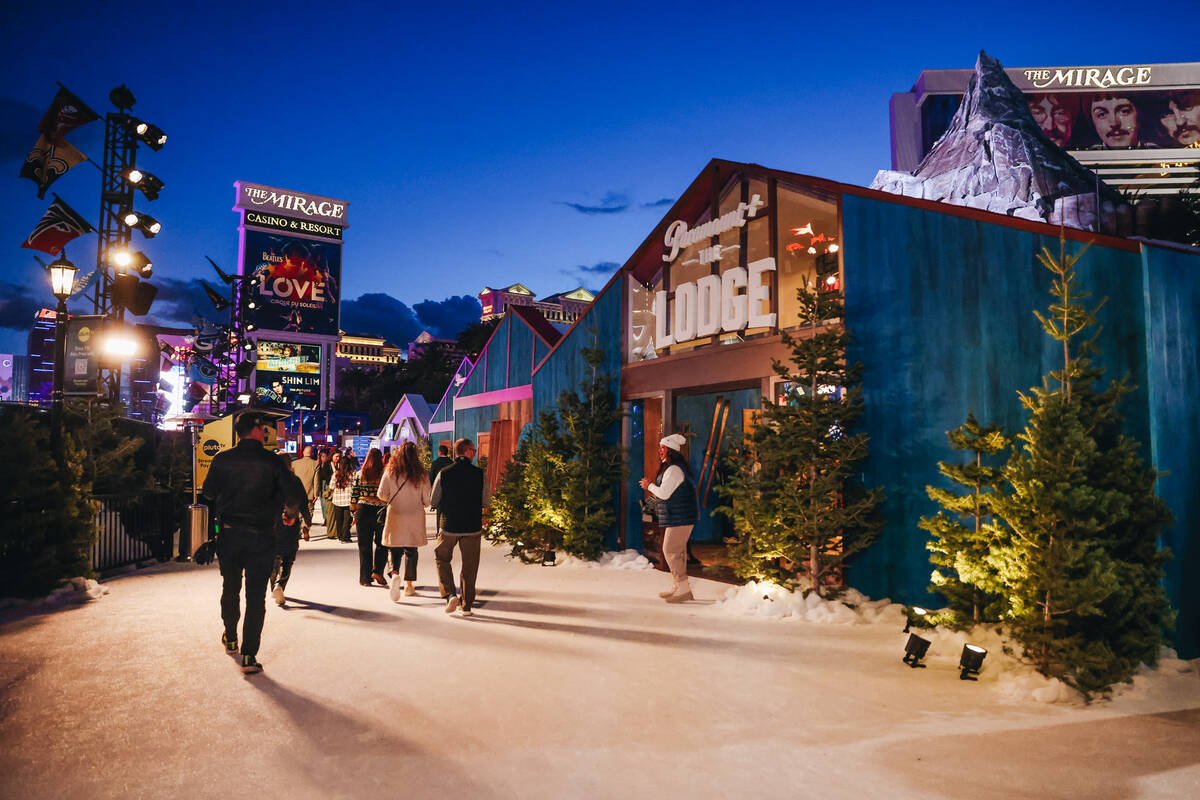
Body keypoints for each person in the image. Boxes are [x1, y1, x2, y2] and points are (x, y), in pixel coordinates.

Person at [202, 411, 303, 674]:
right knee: (256, 596)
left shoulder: (222, 459)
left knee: (231, 586)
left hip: (229, 532)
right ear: (257, 430)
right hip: (261, 535)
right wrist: (289, 516)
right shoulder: (272, 462)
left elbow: (209, 492)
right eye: (264, 428)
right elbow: (292, 495)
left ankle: (230, 635)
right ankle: (249, 655)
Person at [430, 438, 490, 616]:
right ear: (467, 451)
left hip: (449, 525)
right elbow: (486, 500)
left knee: (442, 558)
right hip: (472, 527)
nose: (475, 452)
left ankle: (449, 595)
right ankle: (467, 605)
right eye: (474, 450)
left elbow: (434, 500)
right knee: (470, 565)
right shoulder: (479, 474)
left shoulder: (444, 473)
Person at [638, 434, 698, 604]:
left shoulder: (673, 470)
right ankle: (680, 588)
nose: (659, 451)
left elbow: (664, 493)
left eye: (662, 448)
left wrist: (648, 486)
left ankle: (683, 588)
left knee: (670, 550)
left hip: (681, 516)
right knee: (677, 552)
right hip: (679, 515)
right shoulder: (671, 468)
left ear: (671, 450)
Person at [379, 441, 432, 601]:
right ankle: (409, 584)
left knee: (394, 549)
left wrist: (392, 499)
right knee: (411, 551)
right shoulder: (421, 474)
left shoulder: (390, 471)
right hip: (414, 517)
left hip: (395, 514)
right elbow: (427, 500)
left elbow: (381, 493)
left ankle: (395, 573)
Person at [271, 452, 312, 606]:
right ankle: (280, 584)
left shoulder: (270, 480)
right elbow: (303, 502)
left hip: (272, 524)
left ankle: (273, 585)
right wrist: (308, 521)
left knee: (273, 556)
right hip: (291, 522)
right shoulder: (295, 480)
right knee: (288, 557)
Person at [352, 448, 389, 588]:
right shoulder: (385, 474)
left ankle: (365, 578)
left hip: (363, 510)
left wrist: (353, 513)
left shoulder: (360, 474)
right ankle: (378, 571)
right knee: (382, 543)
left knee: (364, 546)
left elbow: (354, 494)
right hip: (380, 511)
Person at [328, 457, 355, 545]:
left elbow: (331, 486)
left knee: (339, 520)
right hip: (348, 500)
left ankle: (340, 536)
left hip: (337, 500)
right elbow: (355, 486)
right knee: (347, 520)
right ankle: (345, 536)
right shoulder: (352, 474)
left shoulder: (336, 474)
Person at [428, 443, 454, 533]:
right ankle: (448, 528)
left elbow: (431, 478)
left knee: (439, 512)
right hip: (450, 491)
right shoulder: (451, 463)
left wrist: (431, 491)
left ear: (439, 452)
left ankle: (439, 530)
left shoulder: (435, 463)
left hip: (438, 490)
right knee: (449, 510)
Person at [291, 445, 319, 519]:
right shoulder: (315, 464)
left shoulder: (294, 463)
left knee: (297, 515)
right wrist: (316, 494)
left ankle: (298, 528)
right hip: (309, 494)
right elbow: (316, 481)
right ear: (312, 453)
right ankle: (305, 529)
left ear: (303, 452)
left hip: (296, 494)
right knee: (308, 515)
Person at [316, 449, 333, 528]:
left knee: (326, 503)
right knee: (323, 503)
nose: (323, 458)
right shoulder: (318, 465)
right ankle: (325, 518)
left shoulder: (329, 465)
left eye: (324, 456)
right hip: (320, 485)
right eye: (321, 456)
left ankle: (327, 519)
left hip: (326, 484)